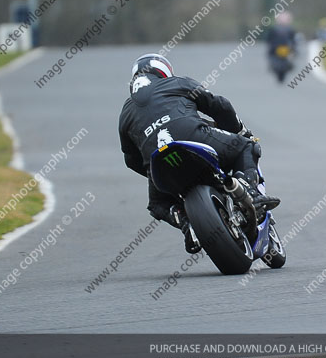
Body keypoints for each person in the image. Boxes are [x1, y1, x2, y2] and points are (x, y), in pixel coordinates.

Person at [118, 54, 280, 252]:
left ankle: (187, 224)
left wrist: (154, 171)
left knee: (157, 204)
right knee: (246, 145)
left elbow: (131, 159)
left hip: (158, 159)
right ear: (163, 72)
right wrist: (238, 131)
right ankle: (251, 192)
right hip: (192, 136)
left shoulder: (125, 113)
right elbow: (219, 105)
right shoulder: (176, 83)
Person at [266, 12, 298, 83]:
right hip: (277, 49)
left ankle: (287, 65)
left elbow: (269, 40)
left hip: (284, 49)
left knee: (292, 56)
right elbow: (269, 40)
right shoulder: (275, 29)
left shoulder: (289, 29)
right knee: (271, 55)